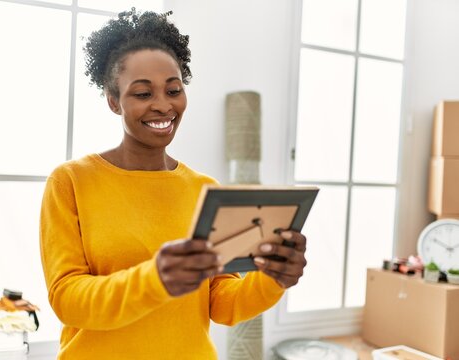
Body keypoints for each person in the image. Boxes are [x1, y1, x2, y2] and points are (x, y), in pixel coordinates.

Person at [39, 8, 307, 359]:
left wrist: (274, 278)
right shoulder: (72, 181)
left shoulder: (204, 189)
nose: (163, 106)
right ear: (113, 100)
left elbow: (222, 304)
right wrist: (155, 281)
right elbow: (68, 299)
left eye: (173, 90)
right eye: (143, 93)